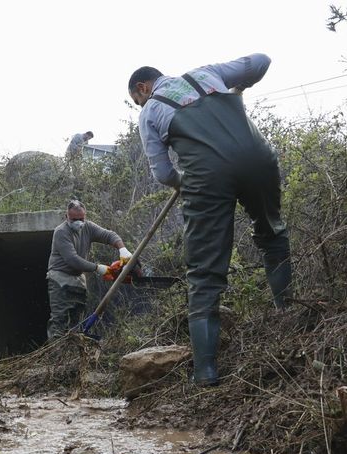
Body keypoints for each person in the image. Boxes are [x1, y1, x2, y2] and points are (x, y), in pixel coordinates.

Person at [127, 54, 292, 385]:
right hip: (258, 160)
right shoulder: (207, 74)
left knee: (204, 274)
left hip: (207, 179)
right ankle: (290, 320)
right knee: (272, 235)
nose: (139, 105)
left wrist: (187, 182)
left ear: (143, 88)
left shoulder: (150, 112)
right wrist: (240, 84)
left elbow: (163, 173)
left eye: (136, 100)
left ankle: (205, 372)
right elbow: (261, 61)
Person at [46, 200, 132, 341]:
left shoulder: (88, 227)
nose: (78, 222)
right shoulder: (61, 232)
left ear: (85, 216)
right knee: (59, 319)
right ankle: (56, 351)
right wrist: (98, 268)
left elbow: (109, 235)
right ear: (66, 217)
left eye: (81, 219)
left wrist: (122, 249)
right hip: (60, 278)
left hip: (78, 278)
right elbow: (72, 259)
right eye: (74, 219)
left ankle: (72, 350)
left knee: (76, 320)